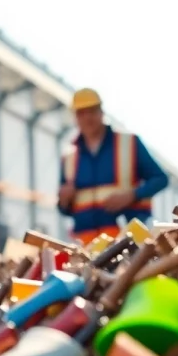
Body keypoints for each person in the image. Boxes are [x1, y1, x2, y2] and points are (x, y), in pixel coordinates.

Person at [57, 88, 169, 245]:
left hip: (127, 238)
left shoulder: (129, 143)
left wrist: (132, 195)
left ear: (101, 112)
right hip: (86, 242)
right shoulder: (69, 156)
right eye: (81, 113)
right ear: (75, 117)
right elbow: (64, 209)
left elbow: (160, 179)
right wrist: (64, 201)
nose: (87, 117)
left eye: (92, 111)